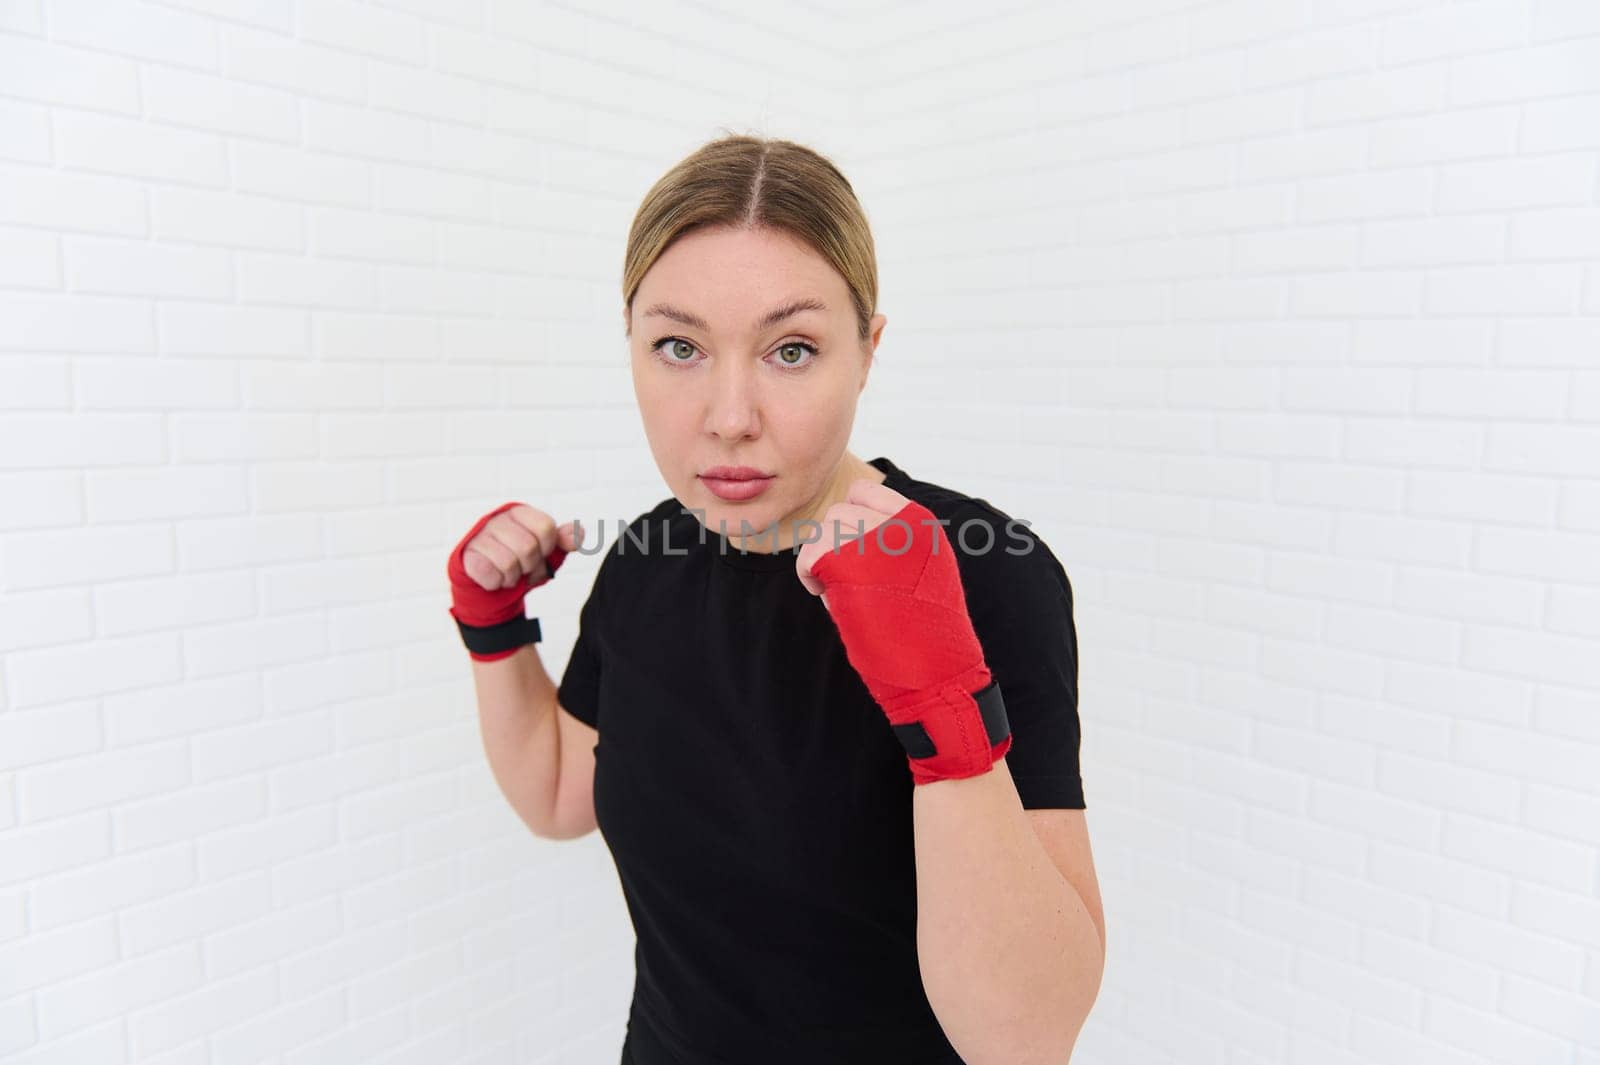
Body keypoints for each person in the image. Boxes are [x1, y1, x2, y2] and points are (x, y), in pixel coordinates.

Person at [446, 134, 1105, 1065]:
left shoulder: (986, 569)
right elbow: (559, 792)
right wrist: (495, 630)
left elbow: (1026, 1040)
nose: (729, 415)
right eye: (679, 346)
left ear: (867, 350)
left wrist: (941, 704)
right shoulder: (646, 553)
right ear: (629, 342)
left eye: (791, 349)